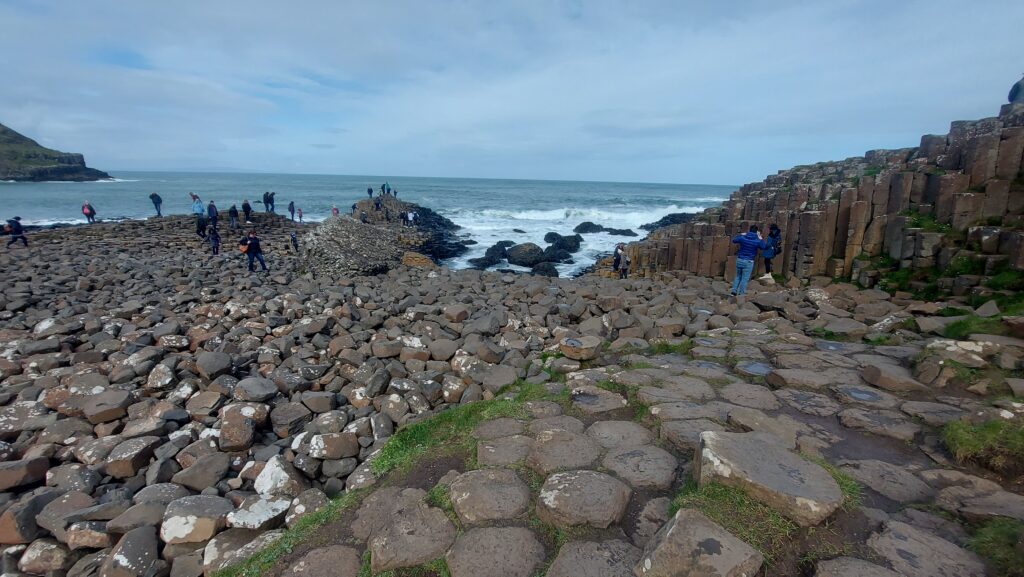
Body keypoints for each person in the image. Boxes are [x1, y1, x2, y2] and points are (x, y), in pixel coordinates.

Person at [731, 225, 768, 297]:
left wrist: (742, 234)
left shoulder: (743, 238)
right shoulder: (757, 240)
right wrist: (760, 238)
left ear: (749, 230)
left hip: (740, 259)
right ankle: (741, 294)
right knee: (745, 279)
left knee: (738, 276)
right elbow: (764, 247)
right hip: (749, 261)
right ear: (757, 232)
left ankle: (734, 291)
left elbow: (734, 240)